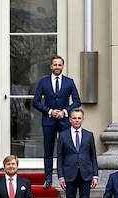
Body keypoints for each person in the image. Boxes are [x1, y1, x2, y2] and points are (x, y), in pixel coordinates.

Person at [32, 54, 81, 189]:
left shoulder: (69, 82)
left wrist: (65, 112)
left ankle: (65, 177)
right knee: (48, 150)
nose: (57, 67)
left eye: (60, 65)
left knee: (65, 150)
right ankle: (48, 179)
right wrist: (49, 111)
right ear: (51, 66)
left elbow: (77, 101)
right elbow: (35, 102)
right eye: (55, 64)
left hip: (64, 120)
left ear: (62, 66)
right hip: (48, 120)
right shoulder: (43, 82)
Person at [57, 108, 98, 198]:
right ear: (70, 119)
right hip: (69, 174)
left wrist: (95, 175)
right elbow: (60, 157)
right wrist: (60, 176)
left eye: (79, 118)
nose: (76, 120)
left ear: (83, 119)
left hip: (86, 174)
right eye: (74, 118)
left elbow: (93, 156)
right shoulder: (63, 136)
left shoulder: (89, 135)